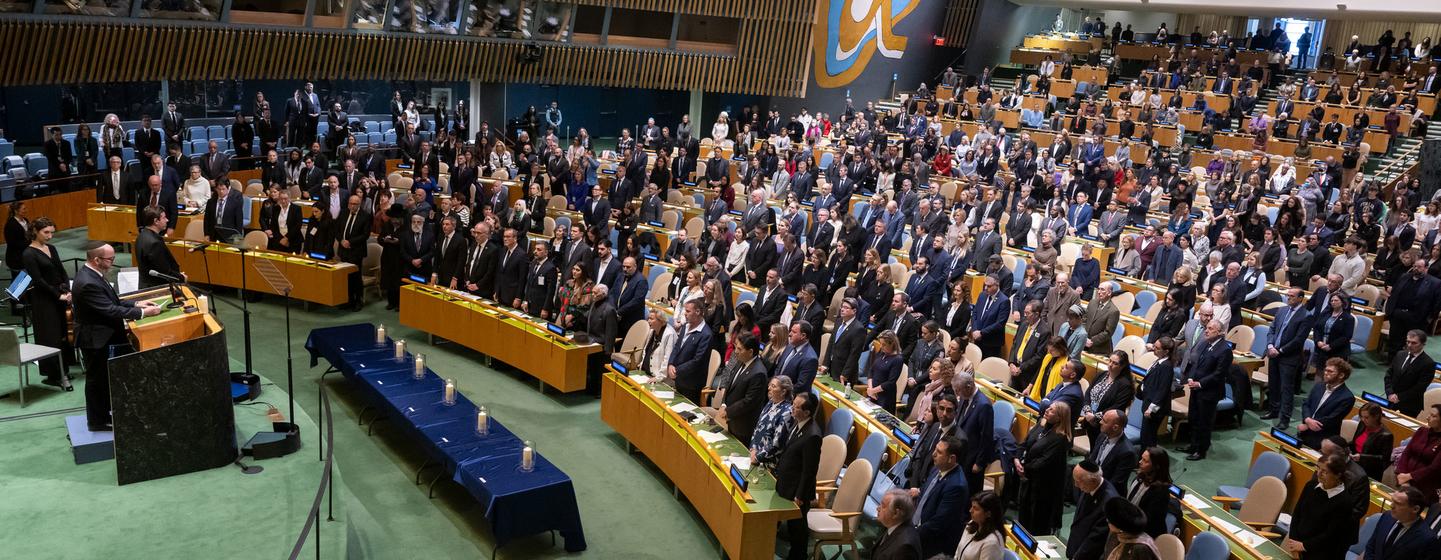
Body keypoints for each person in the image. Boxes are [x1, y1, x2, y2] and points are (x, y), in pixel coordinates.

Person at [75, 243, 163, 430]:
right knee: (97, 381)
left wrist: (137, 302)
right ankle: (97, 421)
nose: (113, 262)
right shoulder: (88, 282)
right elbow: (109, 309)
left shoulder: (94, 274)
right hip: (96, 339)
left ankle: (106, 413)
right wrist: (143, 313)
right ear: (96, 260)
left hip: (105, 335)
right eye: (110, 259)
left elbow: (112, 300)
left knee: (104, 378)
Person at [22, 218, 74, 390]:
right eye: (46, 232)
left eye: (52, 232)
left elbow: (61, 270)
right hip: (44, 300)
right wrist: (57, 295)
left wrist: (67, 290)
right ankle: (58, 374)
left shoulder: (51, 248)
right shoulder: (28, 254)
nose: (50, 236)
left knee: (64, 334)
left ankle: (64, 367)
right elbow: (38, 280)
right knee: (51, 336)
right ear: (35, 231)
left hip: (60, 295)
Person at [1283, 453, 1361, 560]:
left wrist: (1304, 546)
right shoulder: (1310, 486)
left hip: (1322, 554)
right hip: (1296, 546)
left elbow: (1331, 535)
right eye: (1318, 468)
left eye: (1325, 471)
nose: (1319, 473)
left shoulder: (1344, 501)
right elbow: (1297, 514)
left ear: (1338, 475)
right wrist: (1294, 545)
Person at [774, 391, 822, 560]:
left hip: (797, 491)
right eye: (793, 404)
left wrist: (800, 496)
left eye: (796, 407)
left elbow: (809, 470)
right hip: (786, 483)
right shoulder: (799, 423)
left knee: (798, 532)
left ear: (807, 412)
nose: (792, 409)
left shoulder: (813, 435)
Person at [1015, 401, 1071, 535]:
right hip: (1028, 479)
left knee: (1036, 523)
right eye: (1049, 408)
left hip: (1043, 487)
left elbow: (1043, 462)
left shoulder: (1060, 439)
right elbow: (1024, 444)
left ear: (1059, 418)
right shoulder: (1041, 425)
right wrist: (1017, 459)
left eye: (1052, 411)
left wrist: (1023, 469)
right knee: (1023, 514)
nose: (1047, 410)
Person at [1261, 287, 1314, 429]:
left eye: (1292, 296)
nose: (1288, 298)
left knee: (1286, 389)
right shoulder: (1282, 310)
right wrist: (1270, 345)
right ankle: (1273, 410)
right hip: (1273, 353)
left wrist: (1280, 350)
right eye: (1288, 295)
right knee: (1273, 384)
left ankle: (1284, 418)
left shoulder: (1306, 315)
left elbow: (1298, 339)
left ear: (1300, 298)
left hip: (1289, 358)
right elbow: (1272, 329)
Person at [909, 435, 969, 557]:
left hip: (931, 544)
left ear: (951, 459)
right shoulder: (938, 468)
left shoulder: (956, 486)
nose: (933, 454)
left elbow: (938, 524)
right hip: (918, 526)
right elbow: (929, 492)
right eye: (935, 449)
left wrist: (910, 533)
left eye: (939, 452)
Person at [1181, 320, 1231, 461]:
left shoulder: (1225, 350)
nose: (1206, 331)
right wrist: (1191, 378)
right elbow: (1195, 363)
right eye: (1207, 328)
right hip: (1196, 388)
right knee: (1193, 418)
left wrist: (1200, 383)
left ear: (1220, 333)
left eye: (1210, 329)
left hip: (1209, 392)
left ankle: (1201, 450)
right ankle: (1193, 444)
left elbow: (1219, 374)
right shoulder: (1205, 344)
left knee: (1204, 422)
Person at [717, 332, 768, 446]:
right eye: (736, 347)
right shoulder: (741, 360)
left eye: (739, 349)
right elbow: (730, 382)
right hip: (730, 419)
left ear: (750, 352)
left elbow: (749, 401)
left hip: (743, 426)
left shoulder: (758, 373)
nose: (736, 351)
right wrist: (724, 404)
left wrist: (728, 412)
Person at [1297, 358, 1356, 449]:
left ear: (1341, 375)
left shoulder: (1347, 397)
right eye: (1325, 370)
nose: (1325, 373)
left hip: (1323, 439)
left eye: (1330, 371)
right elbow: (1306, 404)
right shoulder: (1319, 386)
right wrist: (1307, 419)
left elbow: (1332, 419)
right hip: (1304, 432)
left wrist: (1307, 426)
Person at [1068, 460, 1120, 560]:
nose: (1075, 485)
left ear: (1093, 480)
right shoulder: (1089, 486)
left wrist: (1077, 557)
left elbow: (1096, 538)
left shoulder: (1108, 502)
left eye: (1078, 482)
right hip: (1077, 545)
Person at [1364, 486, 1435, 559]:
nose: (1391, 506)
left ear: (1415, 509)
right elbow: (1371, 546)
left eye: (1398, 503)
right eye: (1392, 501)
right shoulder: (1387, 516)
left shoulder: (1426, 538)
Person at [667, 300, 714, 403]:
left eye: (688, 311)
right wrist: (670, 364)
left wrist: (676, 370)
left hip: (691, 384)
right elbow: (677, 347)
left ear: (697, 312)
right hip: (678, 378)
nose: (685, 313)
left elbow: (697, 361)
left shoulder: (706, 334)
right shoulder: (685, 326)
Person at [1385, 330, 1435, 417]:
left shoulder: (1428, 363)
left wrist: (1399, 397)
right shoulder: (1400, 354)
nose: (1409, 345)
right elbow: (1389, 374)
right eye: (1408, 342)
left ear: (1423, 344)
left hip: (1409, 405)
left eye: (1414, 343)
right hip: (1391, 399)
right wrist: (1389, 393)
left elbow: (1420, 387)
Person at [335, 194, 372, 310]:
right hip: (343, 250)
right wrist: (341, 240)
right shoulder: (343, 213)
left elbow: (365, 235)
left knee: (355, 277)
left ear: (359, 204)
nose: (352, 206)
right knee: (345, 276)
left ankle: (357, 300)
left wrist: (350, 242)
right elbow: (337, 229)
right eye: (350, 203)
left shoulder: (365, 216)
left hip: (356, 251)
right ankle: (347, 299)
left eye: (355, 204)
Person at [1137, 338, 1174, 448]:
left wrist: (1152, 408)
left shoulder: (1166, 366)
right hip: (1148, 402)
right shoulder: (1158, 361)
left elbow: (1163, 389)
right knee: (1145, 435)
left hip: (1154, 409)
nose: (1154, 349)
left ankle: (1147, 461)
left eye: (1157, 348)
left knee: (1148, 437)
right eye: (1154, 346)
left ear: (1166, 351)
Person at [134, 207, 182, 291]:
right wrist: (181, 277)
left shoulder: (141, 236)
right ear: (156, 221)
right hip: (157, 288)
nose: (167, 220)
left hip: (145, 285)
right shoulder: (154, 243)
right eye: (164, 217)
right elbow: (163, 272)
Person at [951, 490, 1005, 560]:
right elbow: (958, 552)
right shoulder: (971, 524)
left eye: (975, 508)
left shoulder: (991, 543)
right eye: (972, 506)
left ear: (988, 514)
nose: (970, 511)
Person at [871, 489, 922, 560]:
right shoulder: (895, 524)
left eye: (883, 506)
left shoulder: (905, 548)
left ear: (896, 513)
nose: (878, 508)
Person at [1351, 402, 1395, 481]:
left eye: (1366, 417)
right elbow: (1354, 442)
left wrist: (1362, 457)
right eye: (1361, 417)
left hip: (1369, 471)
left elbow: (1384, 459)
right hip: (1354, 463)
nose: (1363, 419)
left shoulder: (1386, 435)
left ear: (1376, 417)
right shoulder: (1362, 424)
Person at [969, 275, 1009, 358]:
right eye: (985, 285)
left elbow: (1000, 324)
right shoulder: (982, 295)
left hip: (991, 343)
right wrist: (975, 330)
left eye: (989, 286)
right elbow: (975, 314)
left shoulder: (1004, 301)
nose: (986, 288)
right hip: (977, 338)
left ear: (997, 285)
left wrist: (981, 333)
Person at [4, 201, 28, 275]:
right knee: (18, 281)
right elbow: (13, 243)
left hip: (25, 255)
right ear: (16, 211)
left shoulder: (26, 220)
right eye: (23, 209)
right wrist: (31, 243)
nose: (26, 210)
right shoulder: (11, 225)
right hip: (16, 259)